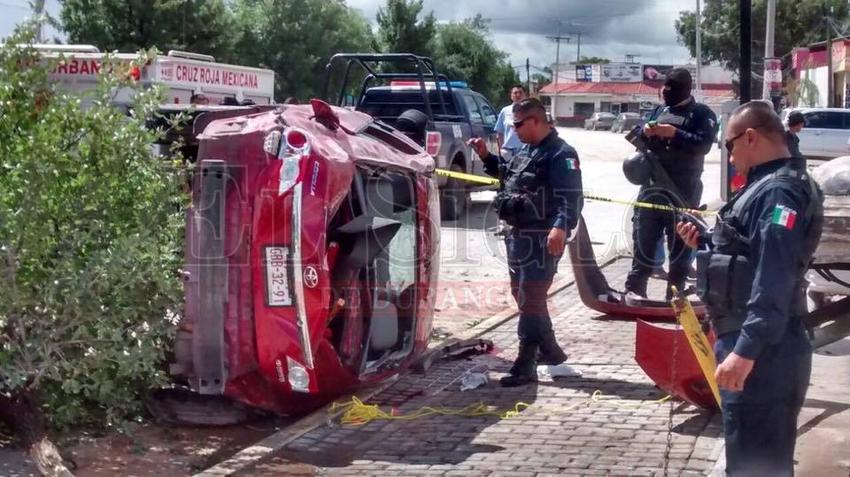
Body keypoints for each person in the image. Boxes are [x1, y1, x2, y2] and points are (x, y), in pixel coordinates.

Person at [677, 100, 823, 476]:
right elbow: (750, 254)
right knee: (751, 458)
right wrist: (706, 243)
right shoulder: (768, 187)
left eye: (729, 146)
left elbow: (774, 276)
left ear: (751, 137)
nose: (729, 157)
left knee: (755, 465)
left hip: (764, 354)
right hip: (758, 346)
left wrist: (745, 351)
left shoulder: (779, 193)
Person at [468, 98, 583, 387]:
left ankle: (525, 364)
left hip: (541, 237)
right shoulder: (527, 150)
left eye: (518, 124)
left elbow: (571, 197)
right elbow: (509, 175)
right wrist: (486, 157)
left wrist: (560, 227)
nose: (514, 130)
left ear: (535, 121)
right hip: (518, 235)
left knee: (530, 298)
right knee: (525, 296)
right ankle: (550, 352)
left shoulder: (561, 154)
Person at [623, 68, 717, 303]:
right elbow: (635, 135)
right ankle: (634, 290)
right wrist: (645, 130)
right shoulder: (659, 110)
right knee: (643, 240)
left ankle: (674, 296)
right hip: (651, 190)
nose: (666, 91)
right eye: (664, 86)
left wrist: (675, 133)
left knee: (680, 249)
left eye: (671, 87)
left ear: (685, 89)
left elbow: (704, 145)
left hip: (683, 192)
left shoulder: (701, 113)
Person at [494, 85, 527, 160]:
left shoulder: (529, 111)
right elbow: (499, 132)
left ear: (525, 95)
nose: (518, 95)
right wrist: (501, 149)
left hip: (524, 151)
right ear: (511, 96)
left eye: (520, 92)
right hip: (507, 152)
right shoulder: (505, 111)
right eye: (515, 93)